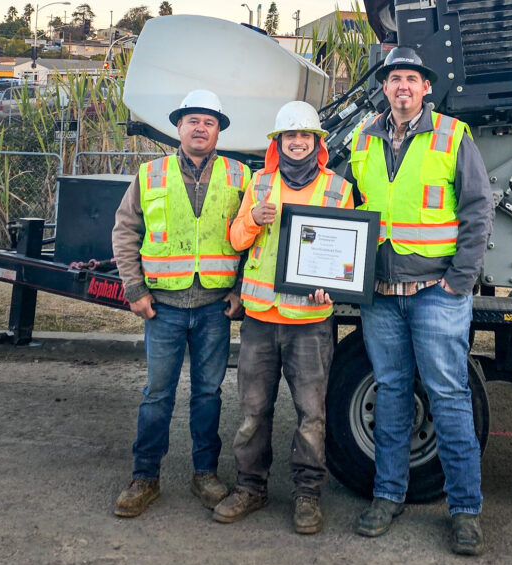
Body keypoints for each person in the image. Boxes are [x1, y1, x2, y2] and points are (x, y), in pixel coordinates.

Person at [347, 47, 494, 555]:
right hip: (381, 297)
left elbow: (478, 209)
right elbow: (344, 207)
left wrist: (460, 279)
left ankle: (465, 510)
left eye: (411, 78)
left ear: (425, 87)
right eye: (394, 79)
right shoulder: (363, 139)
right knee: (391, 395)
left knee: (449, 399)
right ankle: (387, 497)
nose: (402, 87)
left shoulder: (453, 135)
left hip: (436, 293)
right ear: (385, 88)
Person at [212, 101, 353, 534]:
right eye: (288, 137)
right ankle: (250, 488)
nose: (296, 143)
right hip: (260, 318)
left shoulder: (337, 189)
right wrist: (252, 219)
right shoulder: (259, 184)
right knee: (253, 412)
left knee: (311, 414)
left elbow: (345, 252)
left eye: (304, 137)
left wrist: (331, 281)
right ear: (277, 143)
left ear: (317, 143)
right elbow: (235, 239)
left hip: (310, 321)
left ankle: (307, 495)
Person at [111, 89, 250, 517]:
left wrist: (239, 291)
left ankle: (204, 474)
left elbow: (253, 241)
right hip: (164, 307)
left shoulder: (239, 175)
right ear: (179, 128)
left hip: (214, 307)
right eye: (193, 121)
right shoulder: (150, 174)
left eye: (209, 122)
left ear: (218, 130)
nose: (200, 128)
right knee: (157, 394)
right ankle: (144, 477)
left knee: (208, 394)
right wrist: (135, 290)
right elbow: (124, 231)